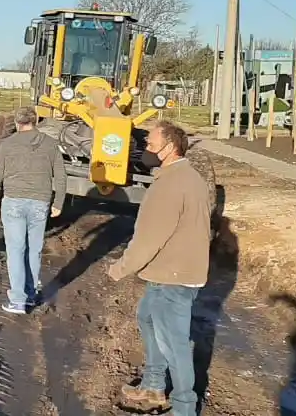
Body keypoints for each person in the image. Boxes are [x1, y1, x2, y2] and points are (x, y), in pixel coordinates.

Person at [107, 120, 211, 416]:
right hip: (166, 272)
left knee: (174, 344)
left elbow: (149, 237)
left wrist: (121, 268)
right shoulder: (185, 177)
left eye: (151, 145)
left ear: (169, 147)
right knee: (147, 318)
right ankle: (152, 386)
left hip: (173, 276)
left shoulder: (172, 184)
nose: (146, 150)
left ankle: (183, 408)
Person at [0, 107, 63, 314]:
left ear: (18, 123)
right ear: (35, 121)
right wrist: (59, 203)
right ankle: (30, 295)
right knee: (34, 249)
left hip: (14, 202)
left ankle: (18, 300)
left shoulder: (8, 144)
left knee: (16, 250)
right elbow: (61, 176)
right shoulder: (50, 144)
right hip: (40, 202)